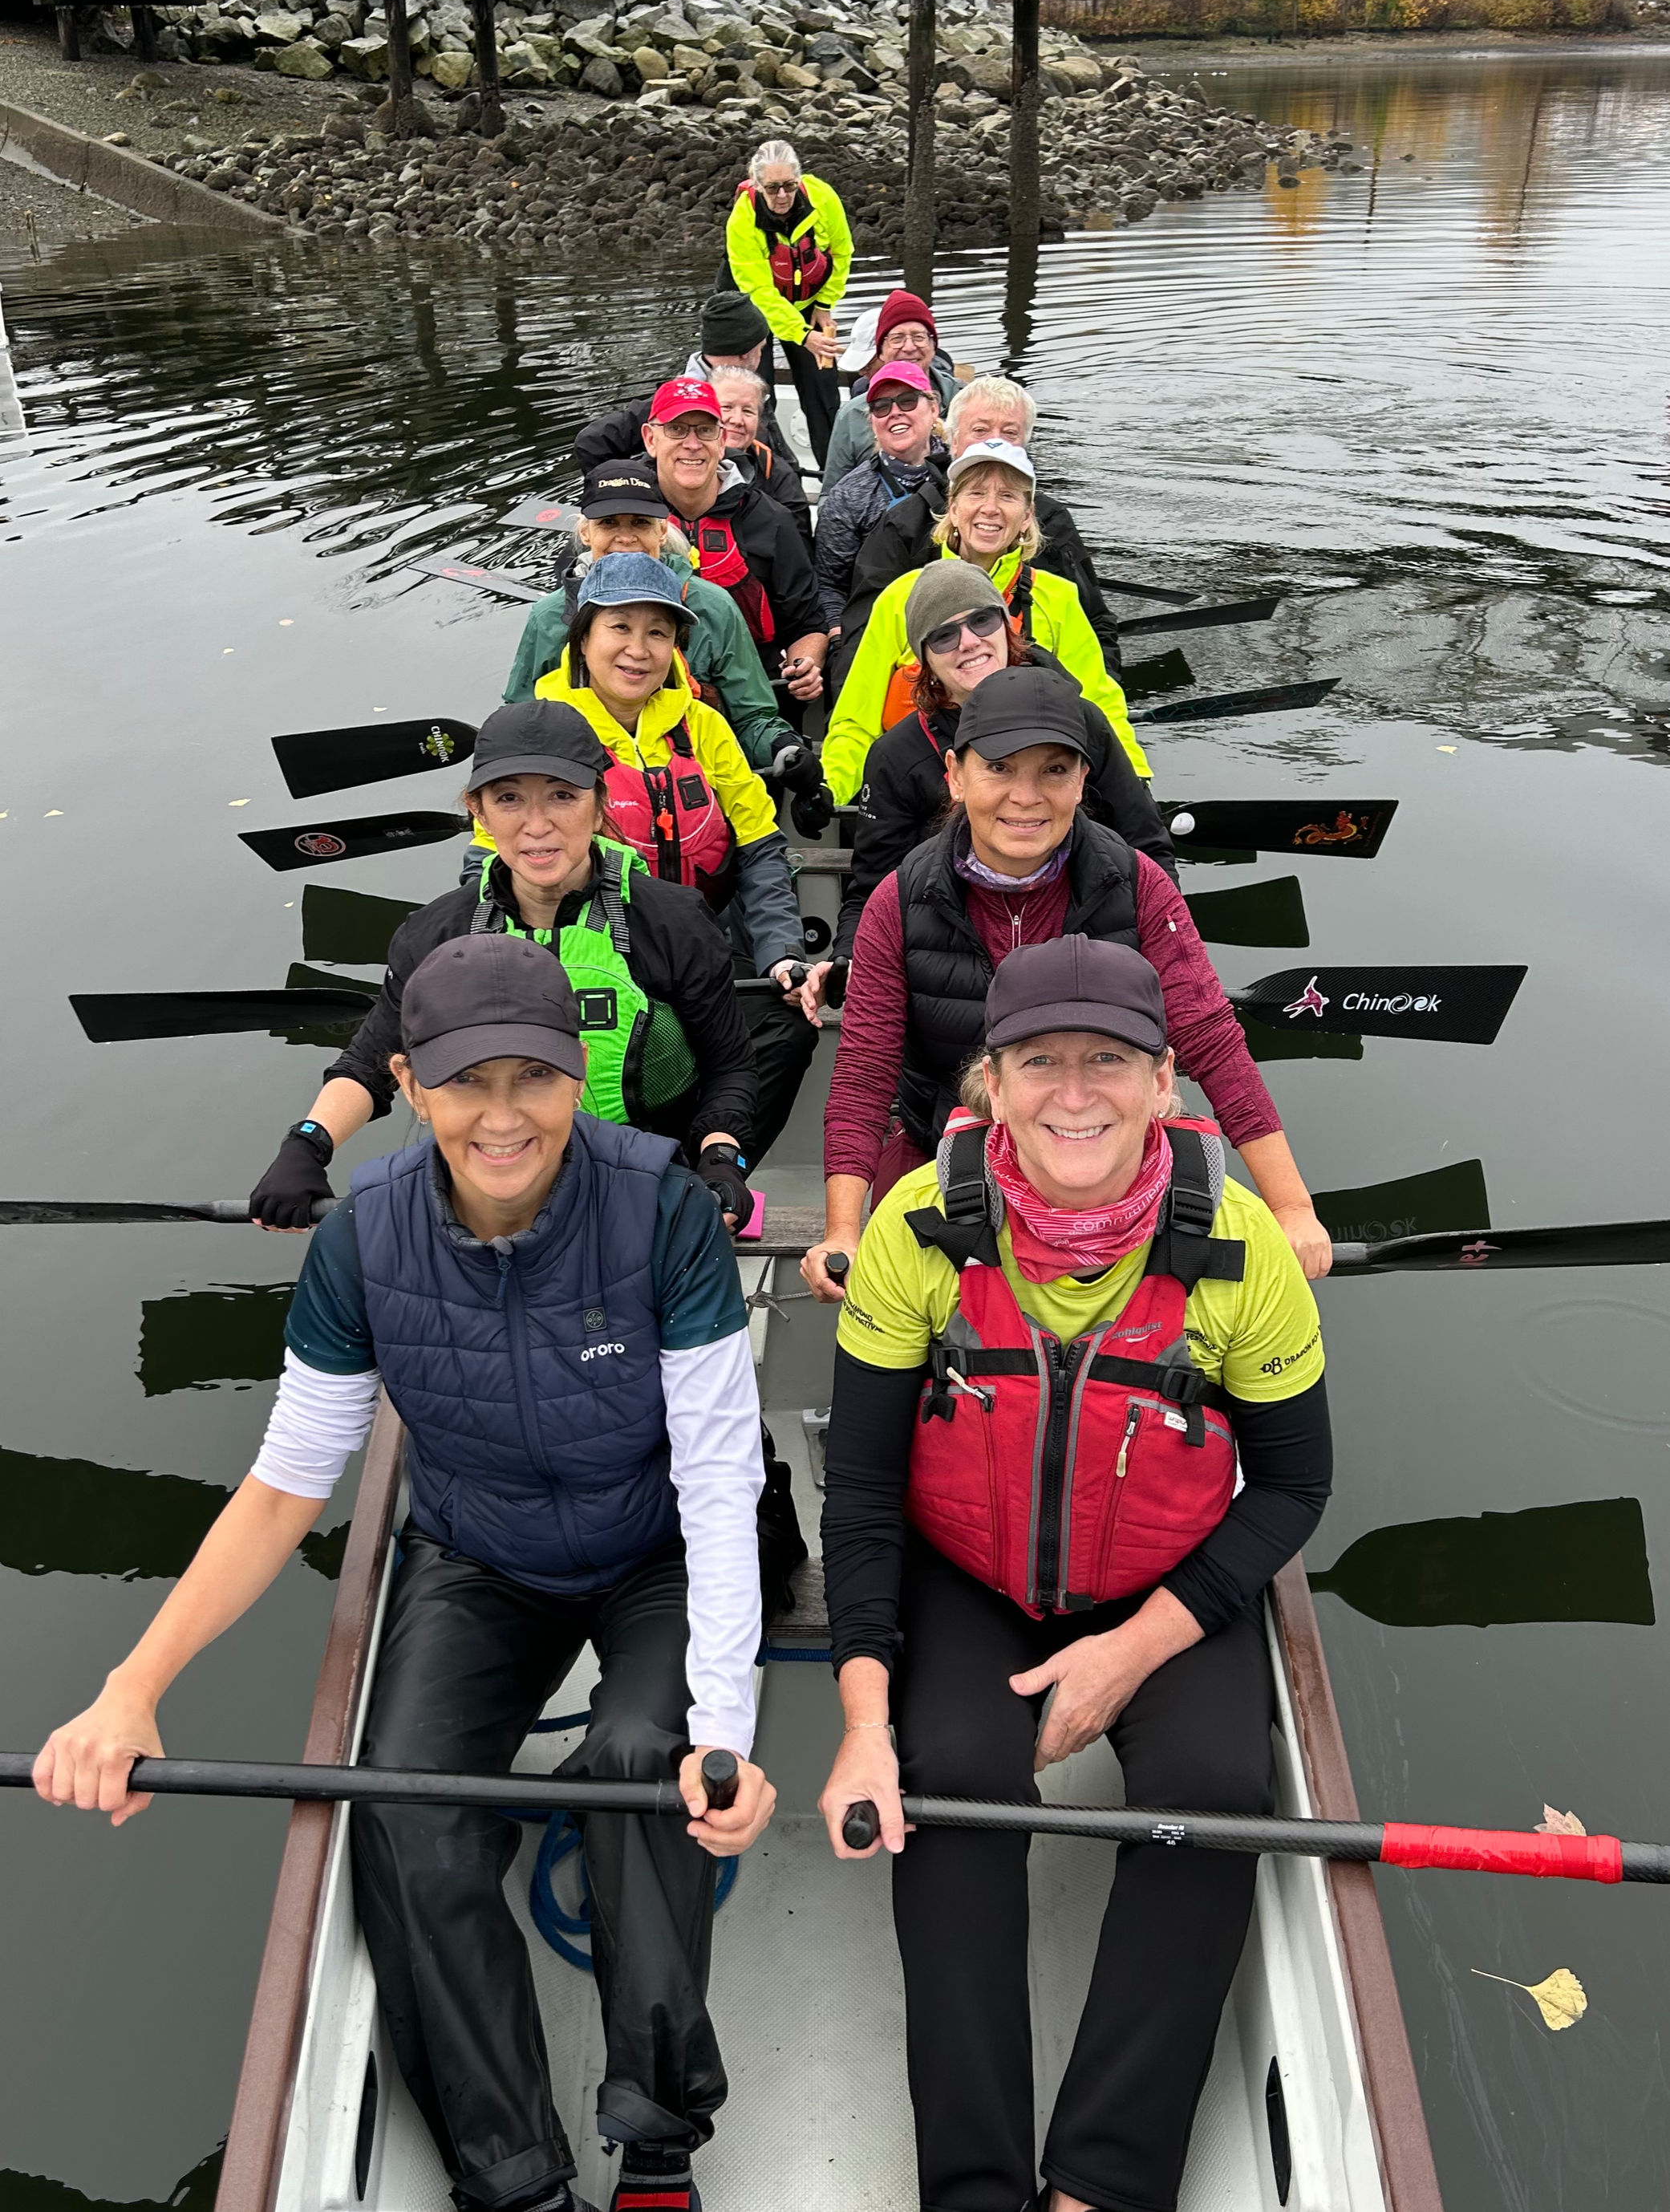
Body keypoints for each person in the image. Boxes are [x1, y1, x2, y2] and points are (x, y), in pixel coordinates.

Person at [39, 932, 777, 2212]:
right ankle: (516, 2170)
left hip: (657, 1542)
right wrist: (130, 1685)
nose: (503, 1119)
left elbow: (718, 1486)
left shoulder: (663, 1212)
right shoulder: (359, 1244)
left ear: (576, 1077)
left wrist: (724, 1733)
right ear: (411, 1087)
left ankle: (656, 2131)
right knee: (403, 1807)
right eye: (465, 1085)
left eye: (533, 1081)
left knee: (638, 1766)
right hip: (479, 1550)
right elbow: (282, 1492)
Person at [814, 936, 1332, 2212]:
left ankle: (1099, 2179)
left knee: (1216, 1791)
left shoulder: (1242, 1245)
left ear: (1166, 1084)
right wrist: (861, 1731)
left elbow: (1294, 1486)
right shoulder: (916, 1228)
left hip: (1169, 1581)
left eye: (1108, 1062)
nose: (1075, 1093)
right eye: (1040, 1062)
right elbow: (865, 1493)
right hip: (966, 1573)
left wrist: (1132, 1648)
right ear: (990, 1084)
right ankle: (976, 2186)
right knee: (948, 1781)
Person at [801, 665, 1330, 1300]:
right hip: (946, 1139)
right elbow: (865, 1071)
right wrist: (842, 1231)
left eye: (1054, 770)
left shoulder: (1135, 884)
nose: (1026, 797)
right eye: (999, 769)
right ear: (955, 775)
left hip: (1099, 1147)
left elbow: (1210, 1039)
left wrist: (1292, 1207)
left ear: (1084, 780)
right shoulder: (899, 898)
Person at [249, 700, 782, 1238]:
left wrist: (721, 1157)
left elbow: (730, 1068)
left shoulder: (673, 921)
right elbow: (371, 1063)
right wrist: (307, 1146)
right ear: (478, 812)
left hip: (647, 1173)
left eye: (562, 796)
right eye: (509, 799)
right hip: (496, 1175)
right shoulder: (436, 934)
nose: (536, 826)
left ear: (599, 805)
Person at [539, 551, 823, 1122]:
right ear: (583, 636)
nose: (638, 649)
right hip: (593, 959)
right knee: (643, 1048)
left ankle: (708, 1163)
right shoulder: (543, 729)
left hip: (702, 949)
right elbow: (493, 867)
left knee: (788, 1032)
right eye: (619, 627)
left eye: (657, 633)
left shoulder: (703, 725)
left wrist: (781, 954)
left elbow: (762, 850)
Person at [832, 560, 1177, 974]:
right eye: (943, 636)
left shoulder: (1082, 721)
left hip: (1083, 939)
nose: (968, 642)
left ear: (1007, 624)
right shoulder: (896, 755)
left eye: (982, 620)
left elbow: (1147, 846)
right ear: (922, 658)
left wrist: (1169, 946)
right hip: (956, 952)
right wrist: (849, 958)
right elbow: (872, 887)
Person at [819, 442, 1148, 809]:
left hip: (1024, 798)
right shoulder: (901, 598)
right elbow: (856, 719)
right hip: (924, 794)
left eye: (1007, 496)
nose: (990, 508)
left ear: (1026, 516)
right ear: (953, 509)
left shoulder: (1059, 597)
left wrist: (1135, 781)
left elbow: (1102, 707)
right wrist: (830, 788)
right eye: (976, 493)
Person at [503, 458, 813, 787]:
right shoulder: (548, 617)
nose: (626, 538)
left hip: (697, 783)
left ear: (662, 530)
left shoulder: (715, 607)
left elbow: (752, 716)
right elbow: (523, 720)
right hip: (589, 788)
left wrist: (785, 749)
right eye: (609, 523)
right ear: (585, 532)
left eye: (640, 523)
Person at [832, 376, 1122, 692]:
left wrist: (1100, 714)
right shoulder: (902, 527)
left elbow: (1096, 624)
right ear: (953, 441)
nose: (992, 443)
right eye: (980, 431)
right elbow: (860, 642)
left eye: (1009, 433)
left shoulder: (1052, 521)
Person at [635, 377, 827, 708]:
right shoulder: (621, 516)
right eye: (677, 430)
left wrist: (806, 666)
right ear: (651, 439)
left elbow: (808, 625)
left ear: (722, 441)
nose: (692, 444)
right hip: (647, 691)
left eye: (705, 431)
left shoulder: (773, 521)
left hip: (751, 692)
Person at [574, 286, 803, 475]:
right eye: (761, 349)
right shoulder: (670, 404)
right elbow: (593, 442)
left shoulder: (751, 389)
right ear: (747, 353)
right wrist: (622, 494)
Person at [721, 138, 851, 468]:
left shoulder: (821, 196)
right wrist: (804, 336)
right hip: (751, 306)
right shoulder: (742, 219)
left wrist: (824, 304)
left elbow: (841, 250)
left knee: (822, 390)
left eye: (789, 186)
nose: (782, 196)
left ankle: (833, 476)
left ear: (799, 181)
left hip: (808, 301)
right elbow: (759, 293)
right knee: (756, 395)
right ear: (757, 184)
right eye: (773, 188)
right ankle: (768, 475)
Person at [812, 359, 950, 630]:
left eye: (908, 401)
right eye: (882, 407)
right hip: (880, 626)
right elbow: (830, 587)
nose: (895, 412)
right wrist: (841, 641)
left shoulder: (963, 476)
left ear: (933, 409)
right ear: (873, 422)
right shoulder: (848, 497)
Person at [819, 290, 956, 492]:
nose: (909, 347)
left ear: (934, 345)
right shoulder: (851, 415)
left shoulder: (964, 401)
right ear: (880, 351)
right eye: (897, 338)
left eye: (919, 337)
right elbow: (830, 493)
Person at [711, 363, 813, 550]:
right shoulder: (684, 464)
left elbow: (800, 544)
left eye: (748, 411)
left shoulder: (777, 473)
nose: (737, 420)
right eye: (727, 407)